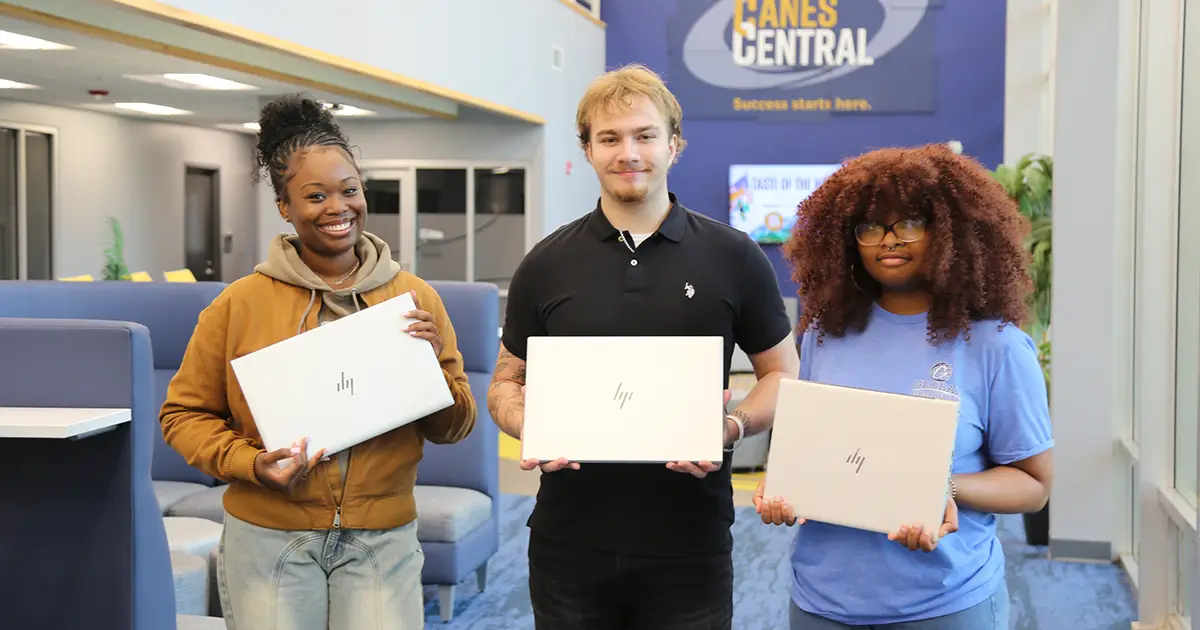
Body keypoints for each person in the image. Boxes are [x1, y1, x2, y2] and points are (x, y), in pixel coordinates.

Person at [488, 64, 800, 629]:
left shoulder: (735, 257)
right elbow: (505, 382)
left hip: (690, 544)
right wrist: (525, 421)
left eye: (644, 135)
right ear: (587, 149)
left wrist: (730, 427)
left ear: (674, 144)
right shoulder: (546, 263)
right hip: (567, 542)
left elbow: (784, 375)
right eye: (609, 138)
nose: (628, 152)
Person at [159, 93, 476, 630]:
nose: (338, 207)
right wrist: (249, 463)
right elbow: (182, 416)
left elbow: (455, 426)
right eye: (315, 195)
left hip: (381, 539)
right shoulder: (238, 304)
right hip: (269, 540)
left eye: (349, 190)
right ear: (285, 207)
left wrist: (431, 373)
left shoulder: (414, 298)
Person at [759, 144, 1054, 629]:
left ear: (951, 232)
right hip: (821, 600)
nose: (887, 240)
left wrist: (940, 488)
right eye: (870, 227)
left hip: (944, 603)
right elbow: (808, 453)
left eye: (910, 223)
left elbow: (1034, 485)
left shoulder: (996, 346)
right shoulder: (822, 336)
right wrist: (783, 489)